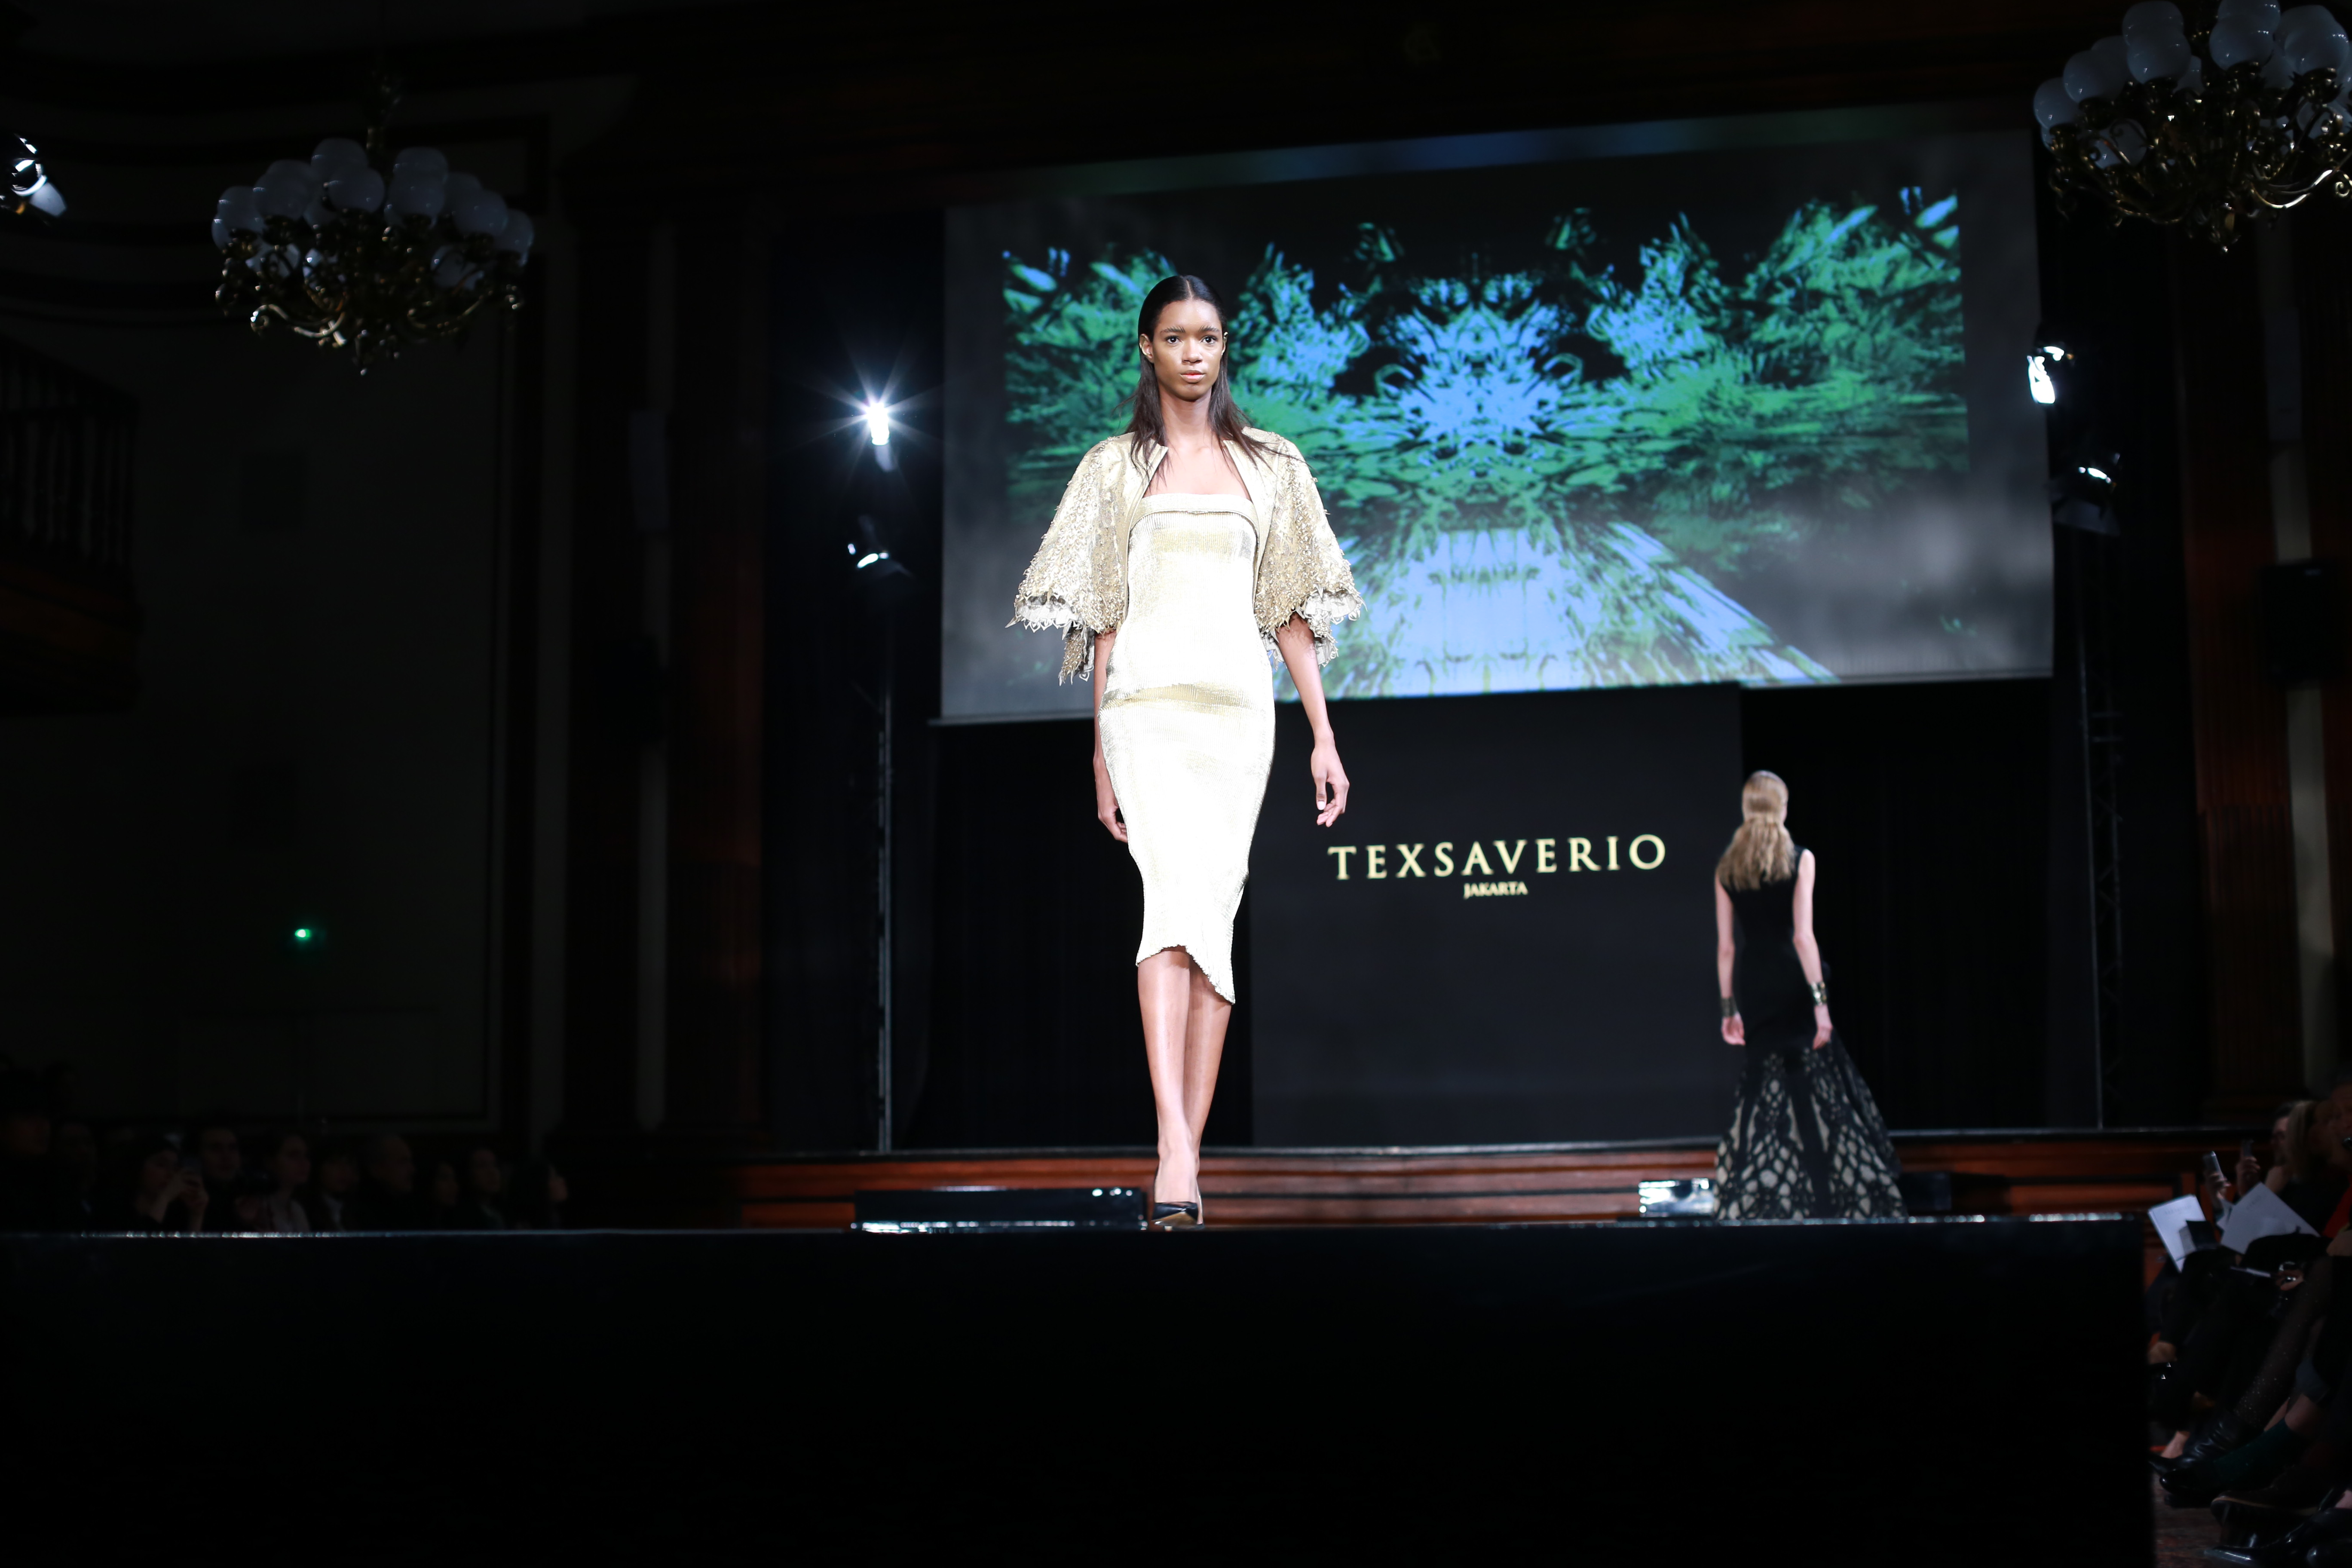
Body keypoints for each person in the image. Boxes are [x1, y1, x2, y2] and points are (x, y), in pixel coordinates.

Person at [1011, 273, 1360, 1229]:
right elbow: (1103, 618)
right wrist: (1099, 752)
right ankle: (1173, 1147)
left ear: (1223, 345)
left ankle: (1186, 1152)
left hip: (1237, 717)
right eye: (1175, 337)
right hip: (1147, 713)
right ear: (1147, 348)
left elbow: (1289, 611)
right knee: (1167, 912)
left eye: (1207, 336)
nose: (1194, 352)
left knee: (1212, 925)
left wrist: (1323, 734)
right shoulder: (1112, 469)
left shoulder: (1272, 465)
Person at [1711, 771, 1904, 1219]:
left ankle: (1754, 1194)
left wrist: (1728, 1008)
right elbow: (1803, 937)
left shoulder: (1727, 867)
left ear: (1747, 808)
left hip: (1757, 982)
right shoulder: (1799, 859)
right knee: (1808, 1078)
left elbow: (1726, 948)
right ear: (1781, 807)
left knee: (1762, 1082)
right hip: (1792, 979)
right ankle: (1825, 1196)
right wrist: (1821, 1005)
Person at [233, 1130, 312, 1234]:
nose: (304, 1163)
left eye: (306, 1156)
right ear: (270, 1162)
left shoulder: (297, 1209)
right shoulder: (254, 1207)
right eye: (293, 1156)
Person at [342, 1134, 423, 1231]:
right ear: (377, 1168)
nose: (412, 1170)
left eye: (410, 1161)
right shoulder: (360, 1214)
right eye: (402, 1162)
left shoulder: (410, 1209)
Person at [504, 1158, 567, 1230]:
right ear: (539, 1186)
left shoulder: (553, 1219)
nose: (562, 1180)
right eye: (554, 1177)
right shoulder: (521, 1230)